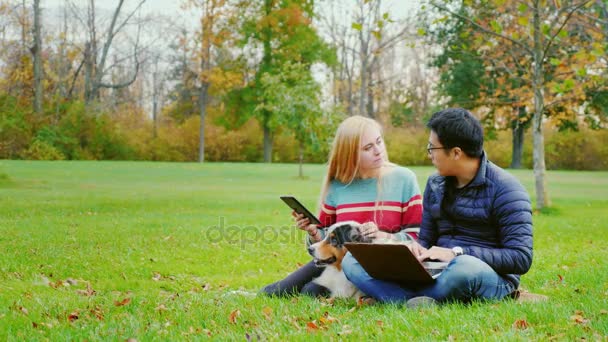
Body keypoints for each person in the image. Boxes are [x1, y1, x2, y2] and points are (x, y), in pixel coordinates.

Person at [342, 108, 533, 305]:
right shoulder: (435, 184)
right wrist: (413, 252)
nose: (430, 155)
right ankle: (411, 301)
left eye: (433, 148)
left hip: (483, 275)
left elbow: (521, 257)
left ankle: (397, 298)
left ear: (456, 152)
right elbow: (425, 240)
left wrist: (456, 253)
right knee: (352, 260)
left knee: (464, 267)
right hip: (434, 269)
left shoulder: (507, 190)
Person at [260, 115, 423, 297]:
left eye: (379, 142)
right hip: (339, 266)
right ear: (350, 154)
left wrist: (383, 235)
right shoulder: (337, 185)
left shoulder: (404, 179)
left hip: (382, 267)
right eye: (368, 148)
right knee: (296, 291)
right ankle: (257, 293)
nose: (378, 151)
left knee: (307, 291)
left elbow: (418, 237)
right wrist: (314, 232)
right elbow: (326, 239)